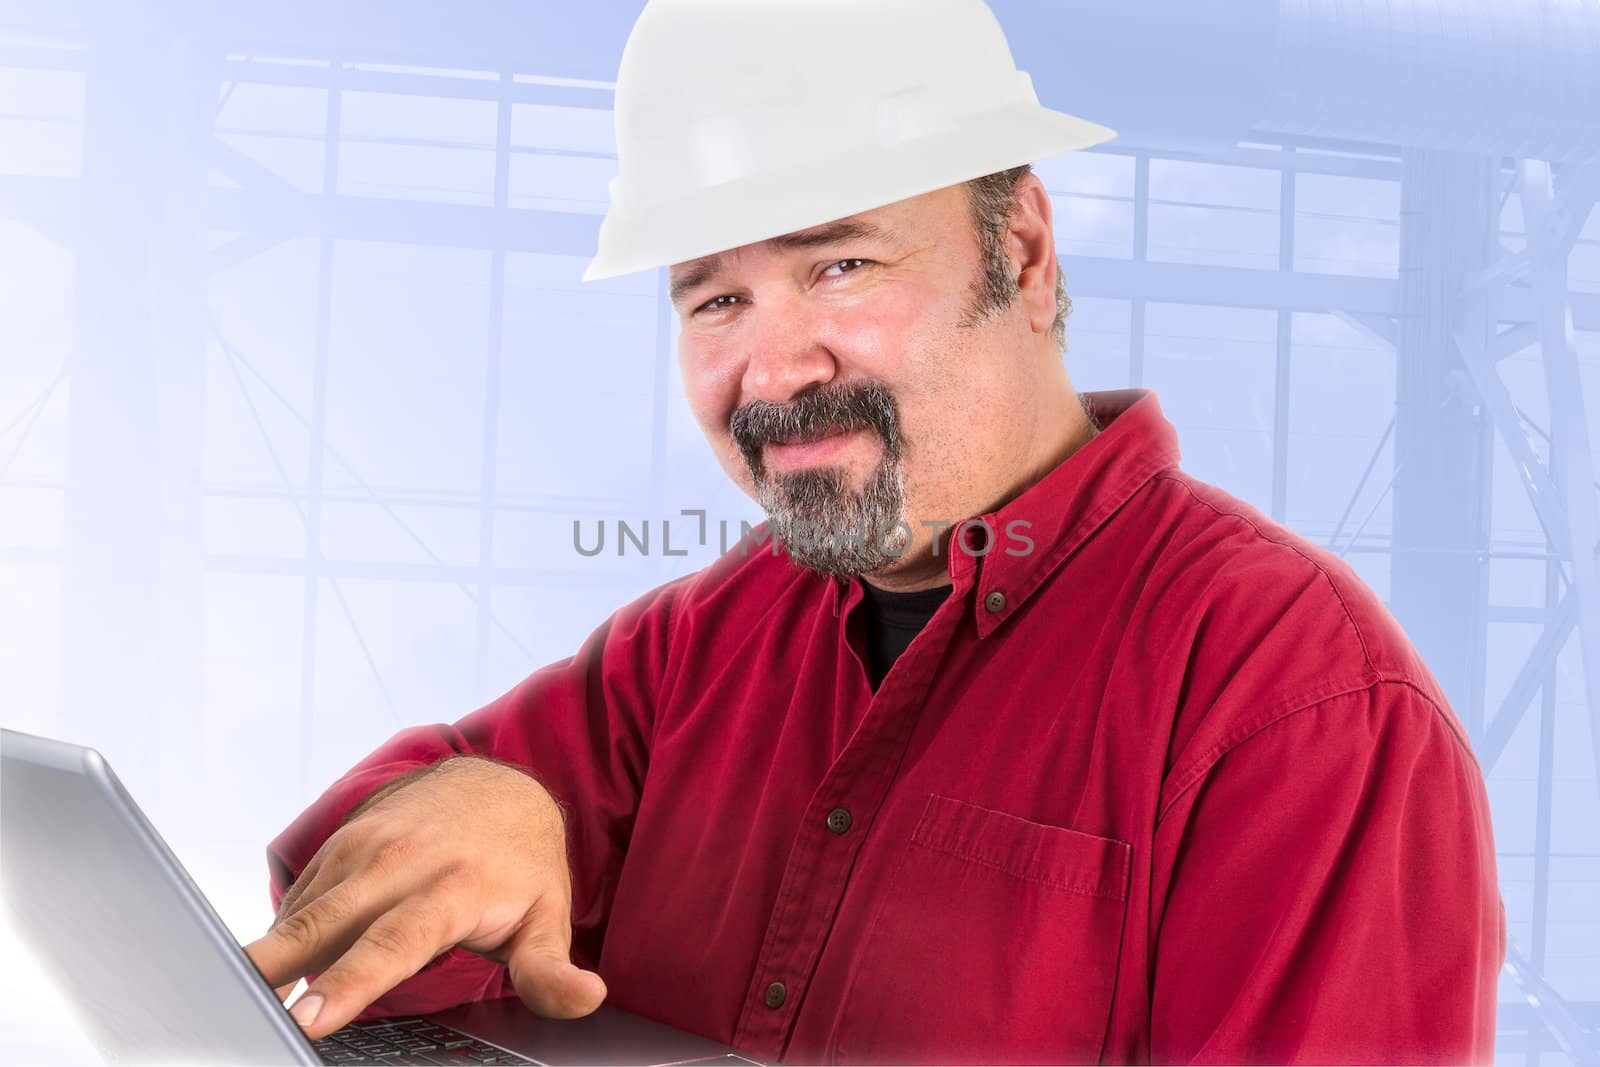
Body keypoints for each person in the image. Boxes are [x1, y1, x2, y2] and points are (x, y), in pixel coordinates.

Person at [244, 1, 1507, 1063]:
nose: (773, 368)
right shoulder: (704, 638)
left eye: (838, 266)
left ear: (1018, 248)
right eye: (717, 296)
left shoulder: (1298, 701)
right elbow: (348, 899)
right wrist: (487, 798)